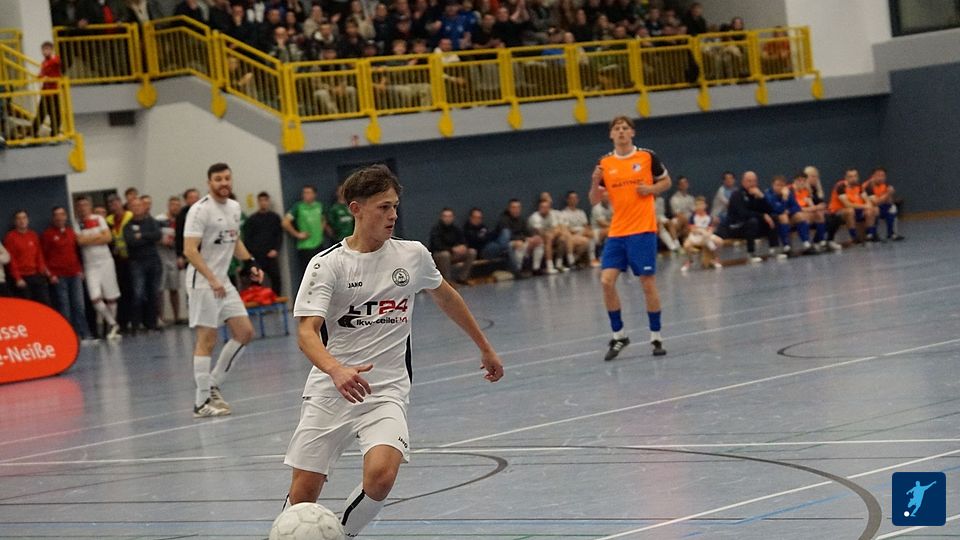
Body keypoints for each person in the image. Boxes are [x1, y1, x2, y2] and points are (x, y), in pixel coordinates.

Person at [283, 164, 503, 538]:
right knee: (304, 493)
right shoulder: (327, 265)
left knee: (382, 476)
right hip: (331, 390)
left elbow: (446, 297)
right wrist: (336, 370)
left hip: (386, 390)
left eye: (395, 206)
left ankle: (339, 535)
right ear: (356, 209)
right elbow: (307, 333)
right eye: (383, 207)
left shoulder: (412, 255)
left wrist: (484, 347)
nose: (393, 215)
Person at [183, 163, 264, 418]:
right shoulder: (200, 210)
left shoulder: (234, 207)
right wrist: (212, 279)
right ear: (209, 183)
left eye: (227, 178)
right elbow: (189, 250)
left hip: (223, 282)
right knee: (207, 339)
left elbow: (234, 239)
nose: (224, 183)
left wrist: (250, 263)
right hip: (202, 282)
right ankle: (201, 403)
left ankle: (213, 383)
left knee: (245, 332)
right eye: (218, 179)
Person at [588, 116, 670, 360]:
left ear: (632, 132)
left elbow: (666, 181)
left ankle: (656, 336)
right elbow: (594, 200)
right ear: (611, 134)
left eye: (625, 128)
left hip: (643, 230)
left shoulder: (647, 156)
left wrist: (652, 189)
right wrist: (595, 181)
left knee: (647, 283)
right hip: (617, 232)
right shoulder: (605, 163)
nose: (621, 132)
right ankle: (619, 335)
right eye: (617, 128)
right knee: (606, 281)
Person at [42, 206, 93, 341]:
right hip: (59, 276)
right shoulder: (48, 234)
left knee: (79, 305)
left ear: (66, 217)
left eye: (62, 214)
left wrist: (80, 270)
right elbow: (43, 257)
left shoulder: (71, 232)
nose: (60, 218)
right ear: (53, 218)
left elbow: (76, 252)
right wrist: (50, 274)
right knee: (64, 307)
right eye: (57, 215)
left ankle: (85, 334)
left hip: (75, 274)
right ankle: (70, 336)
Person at [75, 195, 122, 339]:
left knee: (111, 296)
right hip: (90, 265)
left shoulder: (99, 219)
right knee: (94, 297)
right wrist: (97, 238)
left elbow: (108, 238)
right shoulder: (77, 223)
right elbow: (80, 241)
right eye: (80, 206)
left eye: (85, 205)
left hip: (106, 262)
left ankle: (112, 329)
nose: (83, 208)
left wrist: (89, 239)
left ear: (90, 206)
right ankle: (113, 323)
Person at [124, 197, 163, 333]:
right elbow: (131, 241)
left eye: (139, 205)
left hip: (153, 260)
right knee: (138, 293)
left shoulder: (151, 222)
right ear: (130, 209)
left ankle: (152, 323)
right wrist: (147, 237)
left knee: (154, 293)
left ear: (143, 207)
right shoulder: (127, 226)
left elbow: (157, 235)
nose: (137, 208)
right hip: (137, 263)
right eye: (133, 206)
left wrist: (141, 235)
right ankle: (137, 324)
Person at [3, 210, 53, 306]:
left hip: (36, 276)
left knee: (45, 305)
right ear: (15, 222)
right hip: (22, 278)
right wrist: (17, 278)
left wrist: (42, 272)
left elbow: (39, 255)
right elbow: (11, 260)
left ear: (28, 220)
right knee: (27, 306)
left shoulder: (33, 235)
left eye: (24, 218)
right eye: (19, 218)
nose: (22, 221)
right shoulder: (10, 237)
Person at [727, 171, 778, 263]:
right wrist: (762, 216)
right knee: (752, 221)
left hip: (754, 225)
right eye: (749, 181)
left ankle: (773, 250)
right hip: (737, 226)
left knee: (773, 218)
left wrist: (762, 197)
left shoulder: (757, 193)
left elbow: (769, 210)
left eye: (754, 181)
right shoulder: (737, 194)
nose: (752, 184)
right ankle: (751, 253)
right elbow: (743, 213)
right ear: (743, 182)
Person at [244, 191, 285, 295]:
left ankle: (276, 300)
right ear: (258, 202)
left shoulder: (274, 218)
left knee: (276, 278)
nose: (263, 203)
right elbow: (247, 237)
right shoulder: (252, 219)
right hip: (257, 255)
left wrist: (276, 249)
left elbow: (279, 235)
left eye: (265, 200)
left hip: (270, 255)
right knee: (256, 279)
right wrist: (250, 253)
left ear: (268, 202)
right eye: (261, 201)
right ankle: (257, 300)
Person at [283, 185, 326, 276]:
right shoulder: (298, 207)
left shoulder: (319, 206)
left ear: (314, 194)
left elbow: (323, 219)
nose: (305, 195)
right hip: (306, 247)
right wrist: (297, 234)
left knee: (322, 273)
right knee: (309, 274)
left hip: (319, 245)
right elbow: (285, 222)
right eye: (304, 193)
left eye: (308, 192)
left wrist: (320, 230)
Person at [765, 174, 813, 255]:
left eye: (782, 185)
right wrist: (784, 198)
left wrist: (789, 211)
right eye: (777, 185)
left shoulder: (788, 192)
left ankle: (806, 243)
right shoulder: (768, 194)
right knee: (783, 217)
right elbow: (777, 210)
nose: (780, 187)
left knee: (799, 216)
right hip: (774, 220)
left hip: (787, 218)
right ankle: (786, 246)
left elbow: (797, 207)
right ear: (773, 185)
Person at [828, 167, 879, 243]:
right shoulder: (840, 186)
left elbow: (866, 200)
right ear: (846, 178)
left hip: (857, 210)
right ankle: (854, 237)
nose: (853, 179)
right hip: (838, 212)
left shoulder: (859, 187)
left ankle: (870, 234)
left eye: (855, 176)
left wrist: (868, 205)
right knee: (850, 211)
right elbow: (847, 204)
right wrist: (865, 206)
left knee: (874, 209)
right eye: (850, 177)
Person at [495, 199, 543, 275]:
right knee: (519, 244)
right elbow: (507, 236)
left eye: (518, 207)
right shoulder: (503, 219)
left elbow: (527, 233)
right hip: (507, 244)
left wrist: (533, 238)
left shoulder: (521, 219)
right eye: (513, 207)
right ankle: (517, 270)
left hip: (521, 240)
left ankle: (536, 268)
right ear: (509, 208)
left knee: (539, 242)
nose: (516, 210)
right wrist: (524, 239)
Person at [156, 196, 184, 325]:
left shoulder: (181, 220)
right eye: (173, 205)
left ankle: (176, 317)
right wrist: (161, 241)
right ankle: (161, 318)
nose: (175, 207)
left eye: (178, 205)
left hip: (174, 257)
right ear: (168, 205)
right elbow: (153, 236)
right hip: (161, 257)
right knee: (160, 289)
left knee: (174, 287)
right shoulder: (159, 219)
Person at [428, 208, 476, 284]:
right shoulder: (436, 229)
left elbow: (463, 241)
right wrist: (452, 249)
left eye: (449, 216)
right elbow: (437, 246)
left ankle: (462, 278)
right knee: (445, 255)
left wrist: (463, 247)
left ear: (453, 217)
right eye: (445, 216)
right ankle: (447, 281)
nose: (447, 218)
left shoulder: (456, 229)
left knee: (472, 252)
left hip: (454, 254)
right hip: (439, 255)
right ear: (441, 217)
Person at [681, 196, 723, 272]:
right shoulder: (692, 217)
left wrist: (708, 233)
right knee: (686, 245)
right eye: (697, 205)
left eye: (701, 204)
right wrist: (701, 231)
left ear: (705, 205)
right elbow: (693, 230)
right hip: (695, 236)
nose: (699, 206)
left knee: (719, 241)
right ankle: (689, 260)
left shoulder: (709, 217)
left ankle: (715, 259)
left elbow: (710, 229)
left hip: (706, 236)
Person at [559, 191, 599, 267]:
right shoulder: (563, 213)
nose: (574, 200)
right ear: (567, 200)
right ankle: (588, 259)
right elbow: (566, 229)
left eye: (575, 198)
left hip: (582, 234)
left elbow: (586, 225)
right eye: (572, 198)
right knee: (586, 241)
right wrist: (580, 231)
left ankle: (579, 260)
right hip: (571, 236)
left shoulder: (581, 212)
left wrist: (587, 230)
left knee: (591, 234)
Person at [864, 167, 904, 241]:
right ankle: (871, 233)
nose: (881, 178)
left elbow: (889, 201)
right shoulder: (868, 186)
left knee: (892, 208)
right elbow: (875, 202)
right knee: (875, 209)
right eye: (878, 175)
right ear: (873, 176)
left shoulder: (886, 185)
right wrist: (888, 194)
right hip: (866, 208)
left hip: (881, 205)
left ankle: (891, 233)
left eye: (883, 176)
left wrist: (887, 197)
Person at [32, 42, 62, 137]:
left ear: (52, 50)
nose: (45, 52)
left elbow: (57, 63)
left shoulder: (55, 59)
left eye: (47, 49)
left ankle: (55, 133)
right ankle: (33, 133)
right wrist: (43, 77)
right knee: (41, 113)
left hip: (53, 91)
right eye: (44, 50)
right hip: (45, 91)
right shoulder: (44, 62)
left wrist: (47, 77)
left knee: (55, 114)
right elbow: (40, 75)